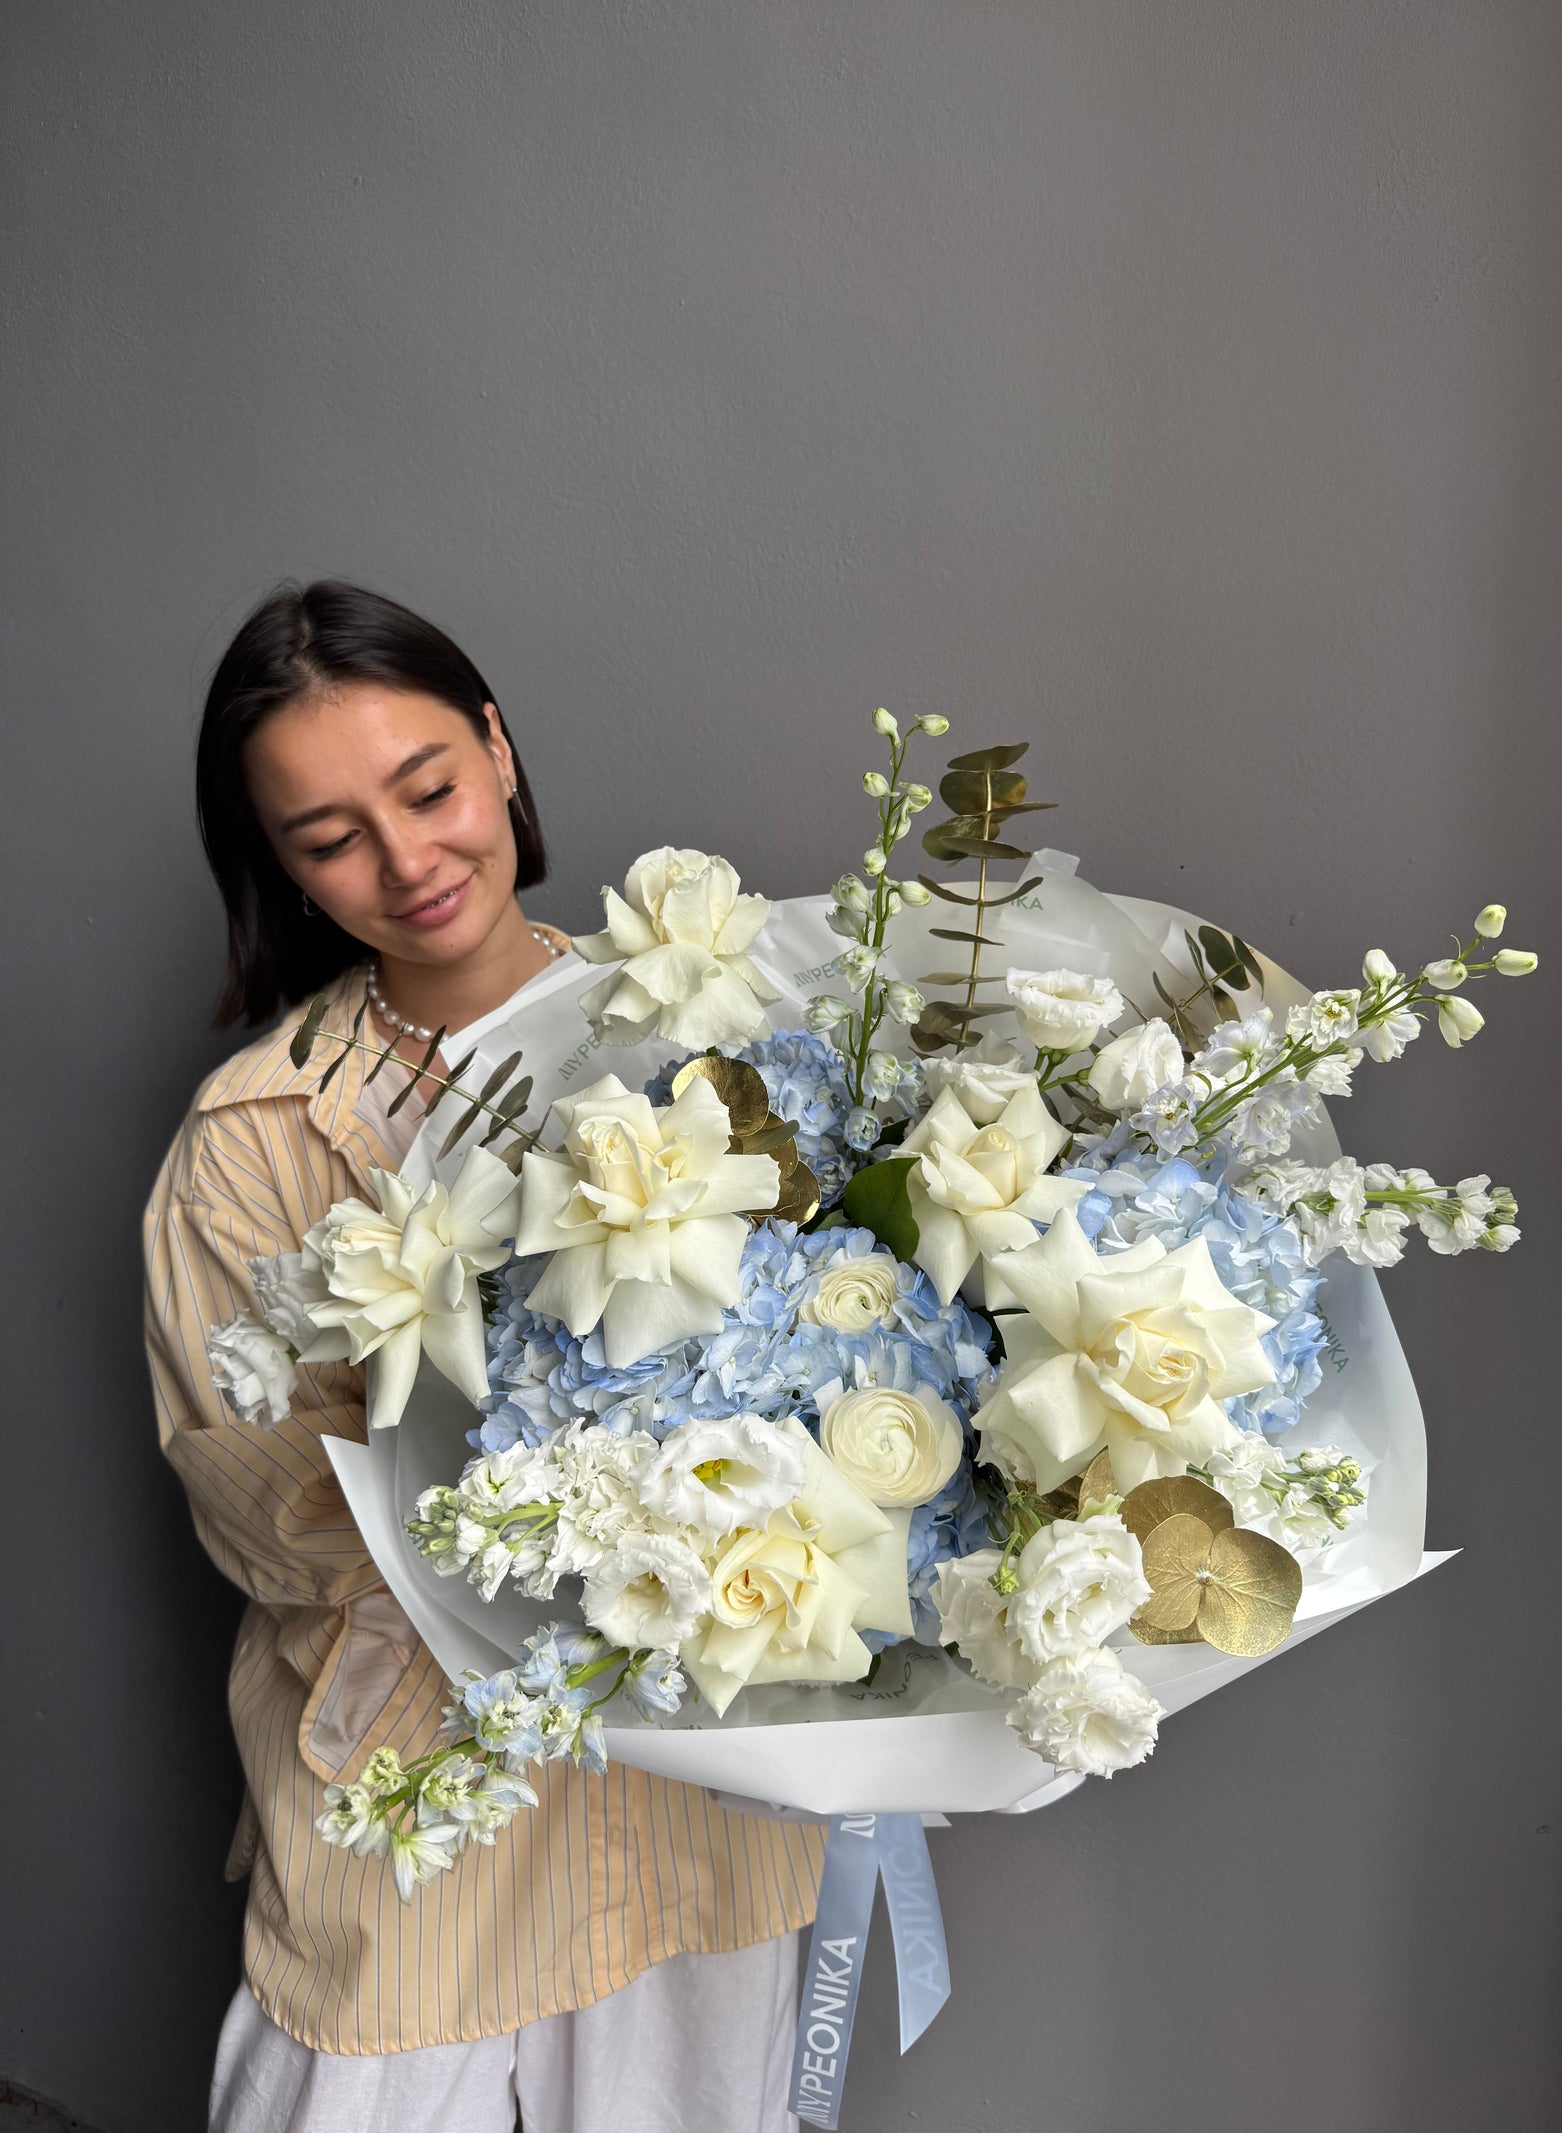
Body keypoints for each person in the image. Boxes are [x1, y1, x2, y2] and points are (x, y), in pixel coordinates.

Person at [143, 581, 823, 2133]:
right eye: (328, 838)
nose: (406, 860)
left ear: (500, 752)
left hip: (697, 1781)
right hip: (414, 1788)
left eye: (429, 787)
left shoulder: (708, 1026)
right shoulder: (251, 1144)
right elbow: (272, 1515)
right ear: (284, 869)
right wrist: (579, 1501)